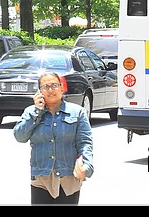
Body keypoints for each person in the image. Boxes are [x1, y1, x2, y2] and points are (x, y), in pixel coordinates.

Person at [12, 71, 94, 205]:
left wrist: (86, 166)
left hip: (68, 178)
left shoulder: (77, 112)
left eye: (54, 85)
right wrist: (37, 112)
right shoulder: (31, 112)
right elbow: (20, 136)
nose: (50, 90)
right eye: (45, 87)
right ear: (39, 91)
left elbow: (85, 143)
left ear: (62, 87)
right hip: (41, 178)